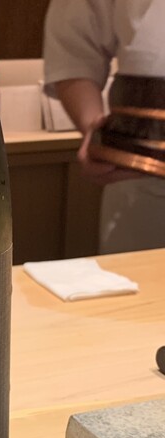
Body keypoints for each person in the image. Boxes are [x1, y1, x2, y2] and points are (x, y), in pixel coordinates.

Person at [43, 0, 165, 254]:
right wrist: (96, 133)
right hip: (143, 176)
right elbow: (74, 50)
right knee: (137, 273)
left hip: (140, 170)